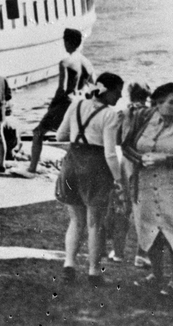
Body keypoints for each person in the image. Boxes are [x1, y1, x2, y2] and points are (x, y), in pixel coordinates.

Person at [120, 83, 173, 294]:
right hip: (144, 182)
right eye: (171, 102)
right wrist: (140, 159)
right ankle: (157, 274)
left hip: (172, 183)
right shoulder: (141, 117)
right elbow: (126, 146)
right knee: (149, 228)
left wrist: (165, 159)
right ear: (158, 103)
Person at [55, 72, 124, 286]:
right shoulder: (110, 114)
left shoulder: (76, 104)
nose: (120, 96)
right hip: (95, 167)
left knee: (76, 220)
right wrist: (119, 179)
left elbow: (60, 135)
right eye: (118, 92)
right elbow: (110, 153)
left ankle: (68, 266)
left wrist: (80, 134)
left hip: (72, 162)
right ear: (107, 91)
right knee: (95, 223)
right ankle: (94, 272)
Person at [29, 29, 94, 174]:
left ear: (68, 42)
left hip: (66, 103)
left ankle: (32, 168)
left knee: (38, 132)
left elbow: (62, 89)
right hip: (81, 103)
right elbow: (94, 88)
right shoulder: (87, 63)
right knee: (77, 136)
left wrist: (52, 106)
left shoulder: (65, 62)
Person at [110, 82, 154, 267]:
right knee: (144, 209)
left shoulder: (124, 112)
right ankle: (142, 253)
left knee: (122, 207)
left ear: (130, 94)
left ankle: (118, 252)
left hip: (127, 161)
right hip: (145, 162)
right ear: (147, 96)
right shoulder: (152, 113)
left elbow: (117, 139)